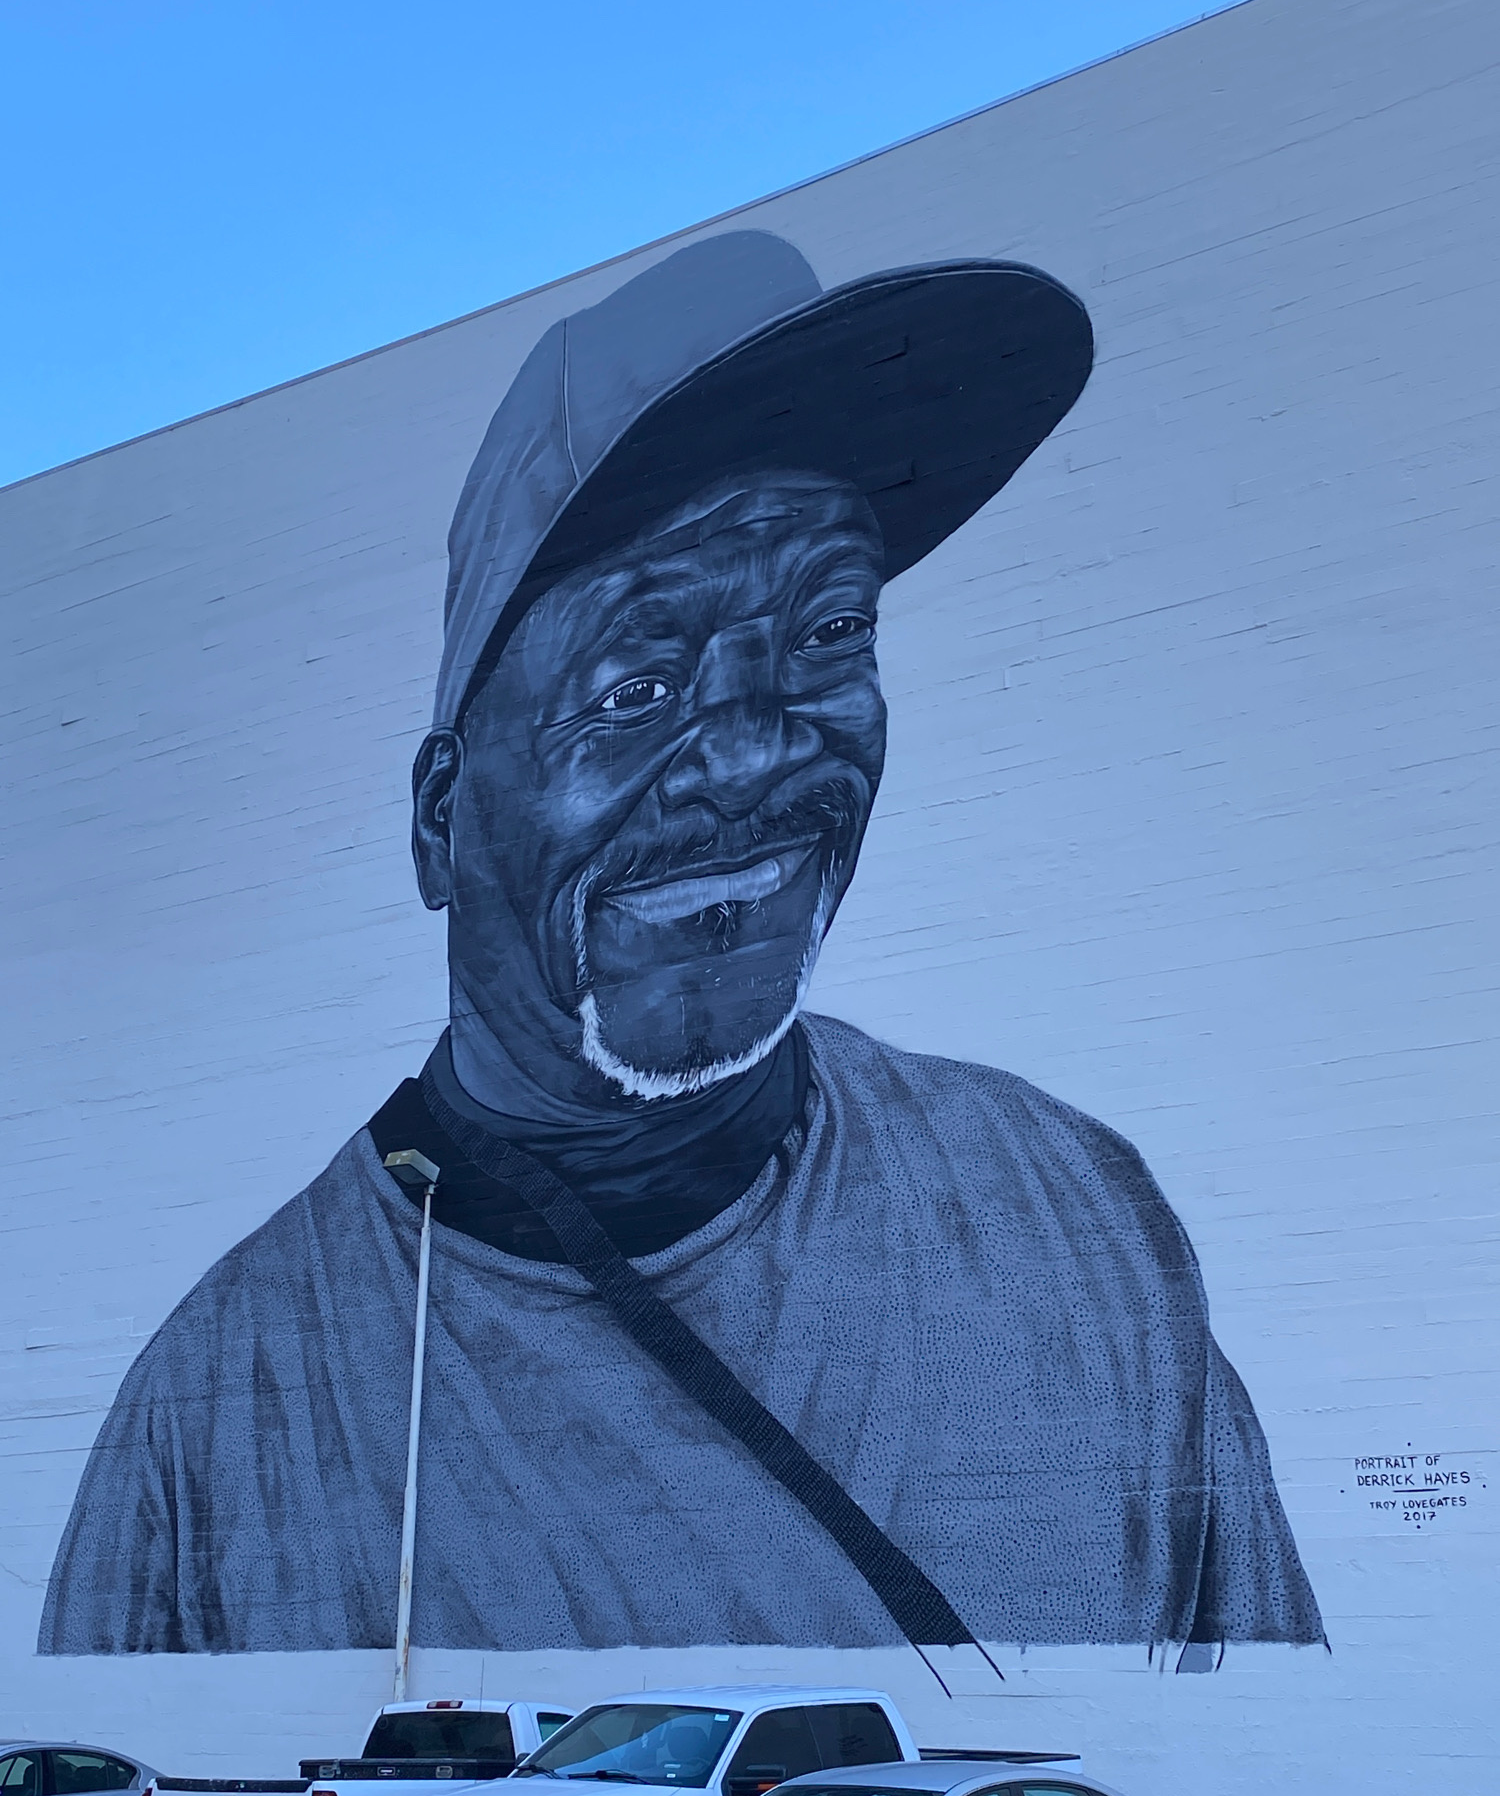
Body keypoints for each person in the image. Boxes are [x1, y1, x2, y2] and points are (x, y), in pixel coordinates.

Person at [40, 231, 1323, 1659]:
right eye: (638, 679)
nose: (755, 751)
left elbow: (1263, 1742)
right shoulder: (227, 1413)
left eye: (828, 629)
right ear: (439, 823)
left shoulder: (1066, 1212)